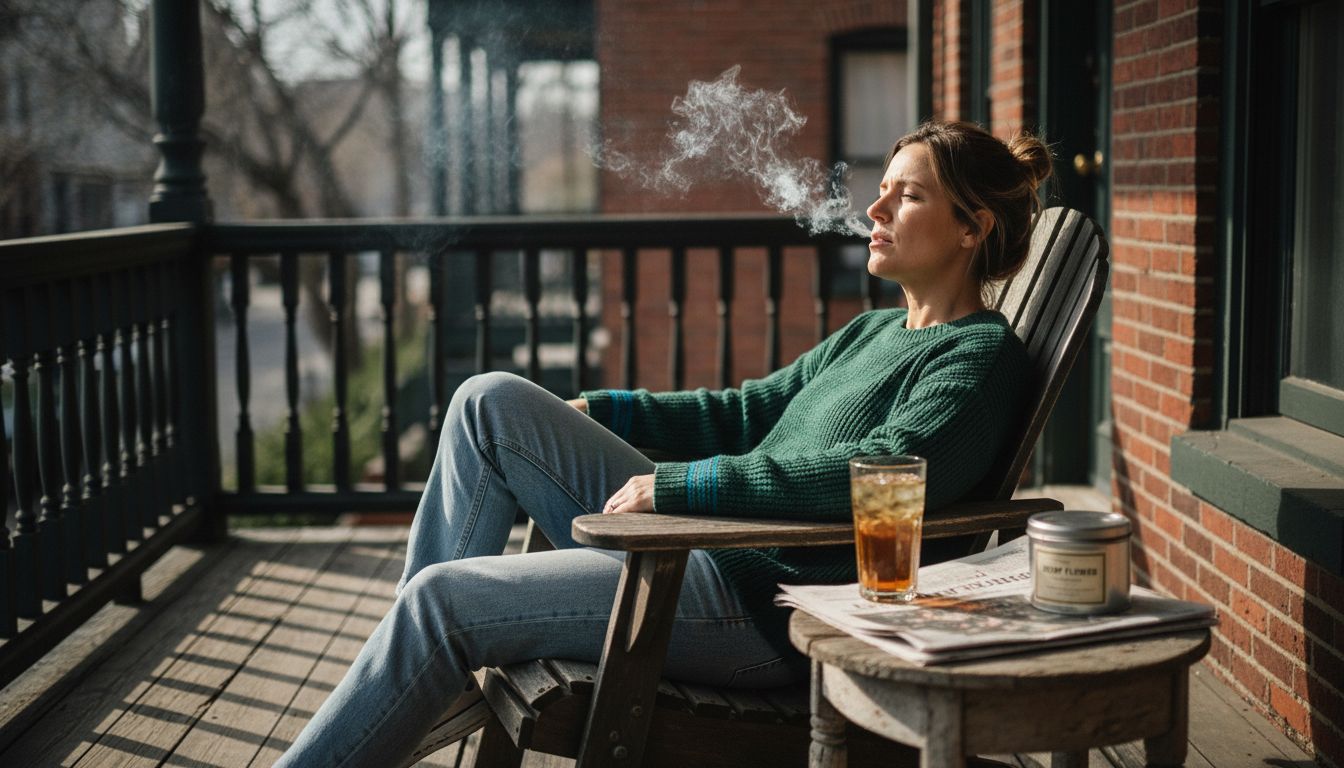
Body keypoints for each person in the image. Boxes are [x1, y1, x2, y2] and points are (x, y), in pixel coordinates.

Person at [275, 120, 1052, 768]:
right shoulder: (875, 329)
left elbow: (887, 474)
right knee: (491, 402)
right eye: (881, 186)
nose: (874, 207)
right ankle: (436, 686)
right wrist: (605, 410)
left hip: (761, 600)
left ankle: (420, 665)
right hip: (708, 547)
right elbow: (748, 411)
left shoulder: (978, 358)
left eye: (907, 194)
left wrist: (683, 488)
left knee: (440, 605)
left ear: (971, 227)